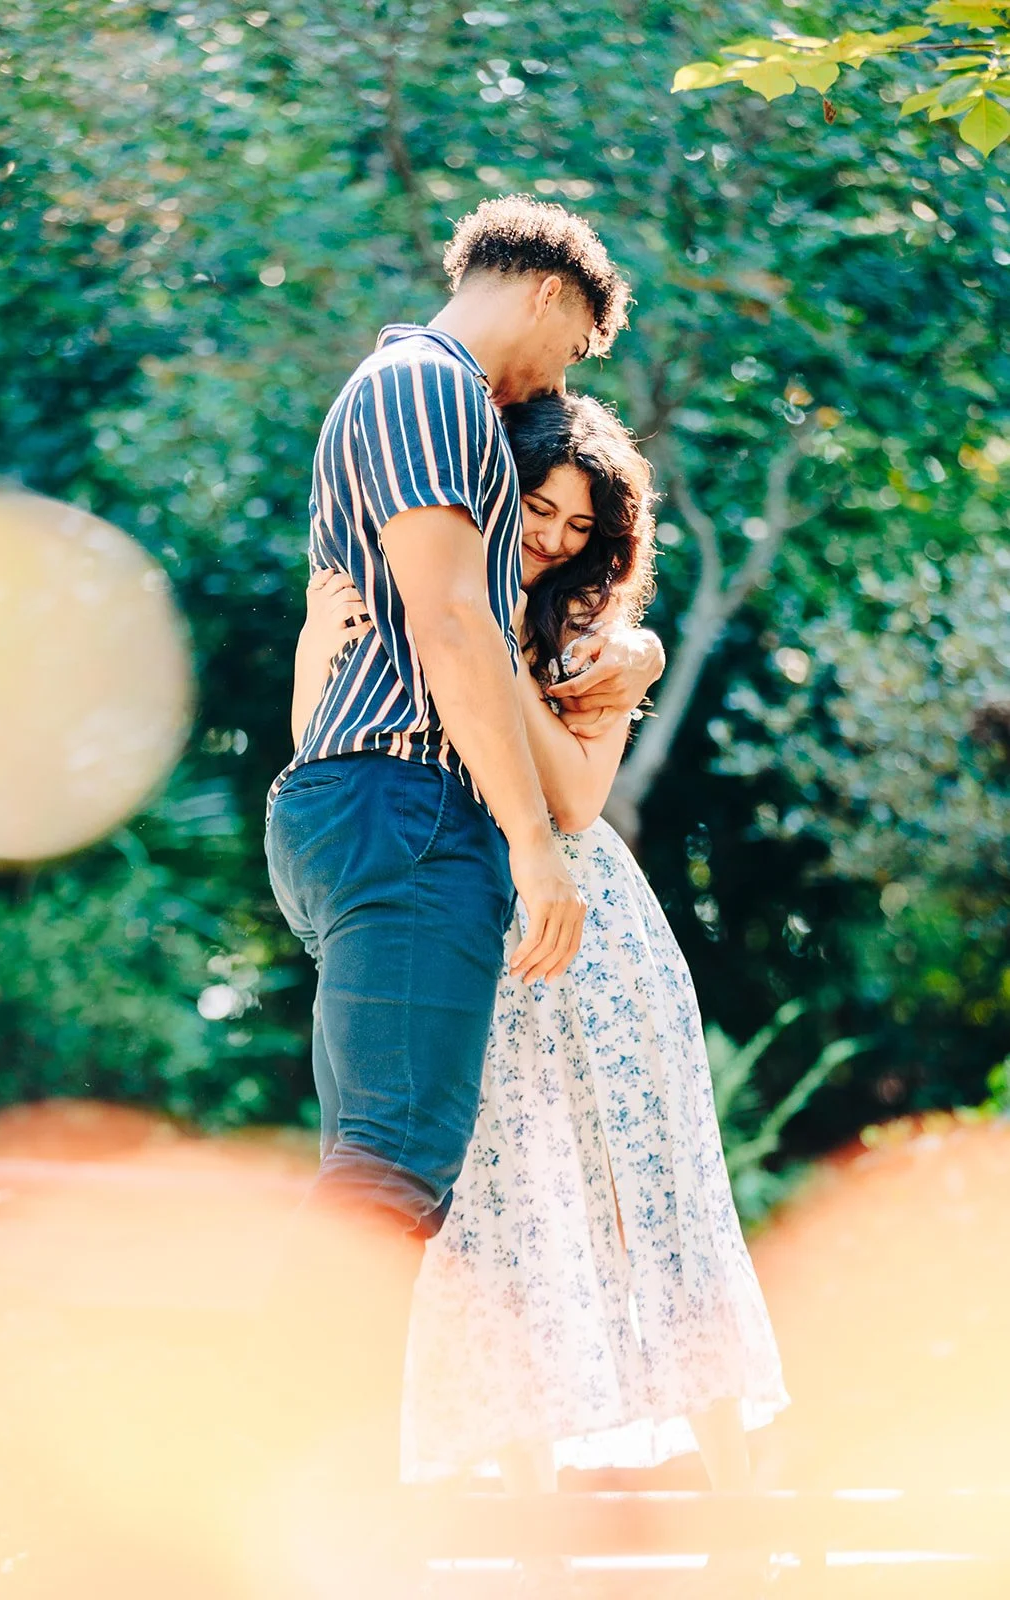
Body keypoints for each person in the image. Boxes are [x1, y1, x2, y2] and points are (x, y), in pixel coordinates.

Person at [297, 392, 787, 1513]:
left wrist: (501, 658)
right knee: (491, 1219)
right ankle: (537, 1550)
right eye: (537, 509)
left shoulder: (590, 643)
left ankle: (742, 1526)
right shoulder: (406, 598)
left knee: (652, 1202)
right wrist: (328, 642)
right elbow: (319, 745)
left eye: (580, 526)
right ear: (488, 492)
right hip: (459, 918)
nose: (557, 540)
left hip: (588, 937)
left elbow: (572, 799)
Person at [264, 197, 664, 1487]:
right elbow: (449, 624)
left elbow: (388, 625)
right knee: (388, 1172)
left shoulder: (419, 401)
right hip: (410, 804)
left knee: (388, 1170)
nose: (558, 384)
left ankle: (303, 1493)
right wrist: (532, 852)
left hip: (371, 805)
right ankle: (256, 1484)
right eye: (576, 351)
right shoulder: (429, 387)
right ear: (550, 296)